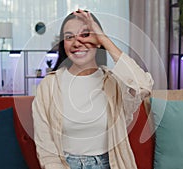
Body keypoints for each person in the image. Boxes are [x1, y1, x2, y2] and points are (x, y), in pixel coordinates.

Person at [32, 9, 154, 169]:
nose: (77, 42)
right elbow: (46, 147)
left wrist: (104, 39)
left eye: (85, 35)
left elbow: (143, 85)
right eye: (69, 37)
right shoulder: (49, 85)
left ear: (98, 41)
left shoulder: (115, 82)